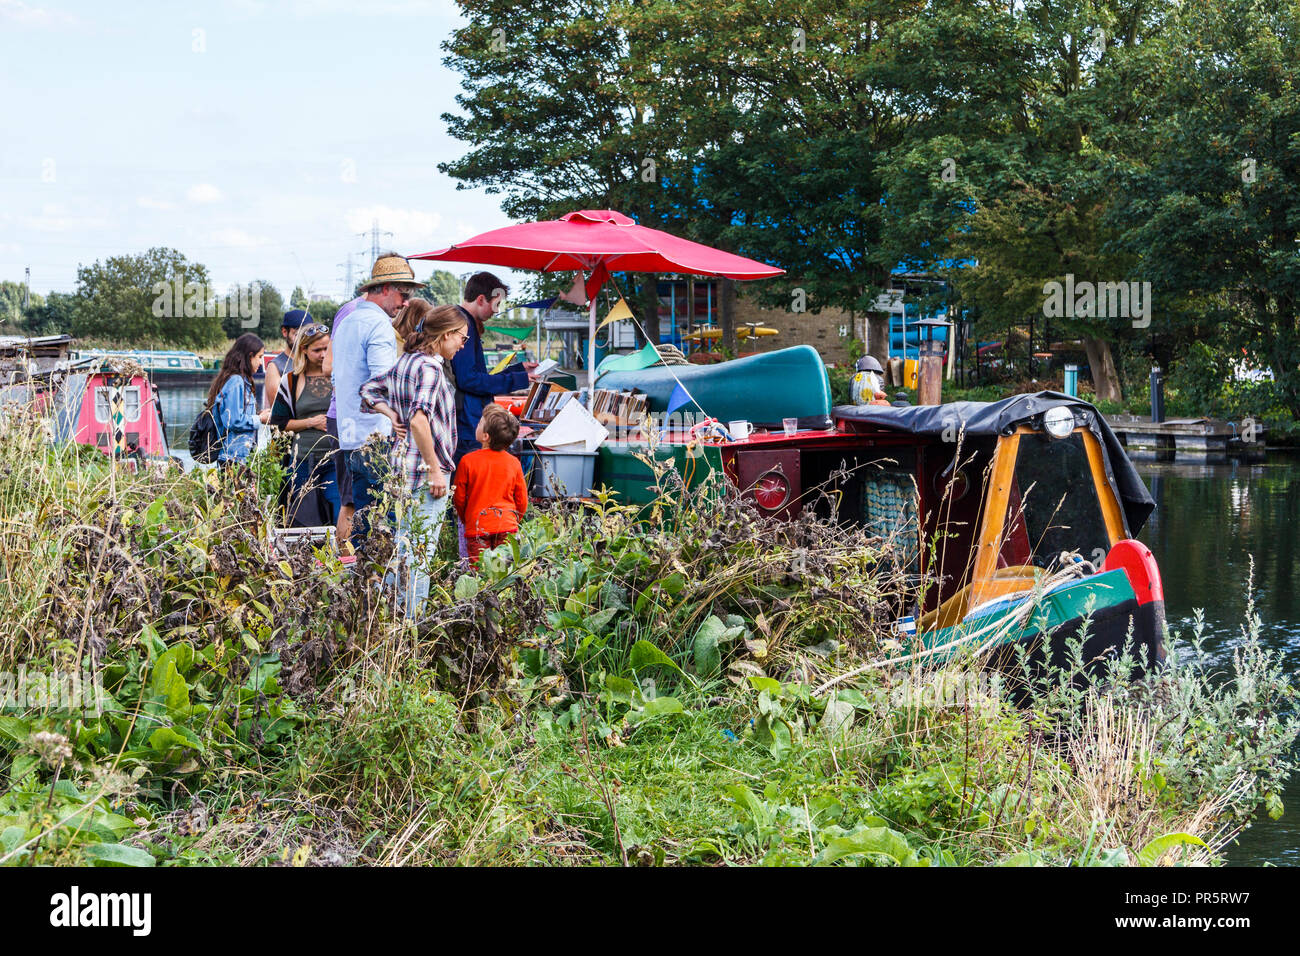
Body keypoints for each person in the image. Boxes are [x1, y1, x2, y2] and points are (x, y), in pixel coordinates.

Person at [359, 301, 465, 613]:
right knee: (420, 552)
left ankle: (389, 618)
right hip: (424, 473)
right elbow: (419, 420)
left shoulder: (406, 361)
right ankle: (410, 625)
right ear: (445, 335)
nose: (462, 344)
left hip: (401, 468)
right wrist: (435, 469)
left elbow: (368, 391)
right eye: (461, 336)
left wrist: (390, 412)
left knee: (402, 547)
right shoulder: (430, 368)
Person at [331, 253, 423, 545]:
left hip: (349, 436)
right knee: (385, 527)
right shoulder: (380, 325)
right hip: (378, 439)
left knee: (363, 522)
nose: (406, 302)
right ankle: (383, 589)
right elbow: (384, 384)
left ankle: (361, 584)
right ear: (385, 288)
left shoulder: (347, 321)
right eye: (403, 293)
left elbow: (338, 378)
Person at [449, 272, 537, 555]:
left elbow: (475, 376)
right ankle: (465, 548)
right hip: (468, 420)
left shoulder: (465, 323)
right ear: (481, 299)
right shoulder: (465, 324)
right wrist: (516, 379)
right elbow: (469, 379)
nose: (496, 312)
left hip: (470, 417)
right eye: (496, 305)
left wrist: (516, 372)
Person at [269, 324, 341, 526]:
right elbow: (278, 423)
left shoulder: (340, 377)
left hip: (335, 459)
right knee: (302, 519)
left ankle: (339, 556)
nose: (323, 354)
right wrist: (310, 422)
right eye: (317, 350)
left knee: (340, 512)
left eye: (327, 348)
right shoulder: (291, 381)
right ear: (304, 350)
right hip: (302, 460)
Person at [453, 403, 528, 568]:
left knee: (480, 572)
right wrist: (513, 520)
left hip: (478, 527)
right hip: (507, 525)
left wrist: (468, 519)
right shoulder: (513, 463)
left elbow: (458, 497)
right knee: (502, 573)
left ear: (486, 436)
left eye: (479, 423)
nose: (476, 425)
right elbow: (522, 500)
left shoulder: (467, 461)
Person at [206, 333, 271, 464]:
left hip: (239, 457)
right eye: (259, 357)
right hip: (233, 458)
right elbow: (233, 421)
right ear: (250, 356)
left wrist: (259, 414)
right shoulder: (236, 381)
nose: (260, 362)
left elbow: (238, 414)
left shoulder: (240, 381)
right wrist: (259, 419)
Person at [263, 309, 310, 410]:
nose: (303, 338)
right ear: (285, 332)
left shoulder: (315, 361)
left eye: (307, 333)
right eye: (297, 334)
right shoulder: (275, 366)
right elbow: (278, 407)